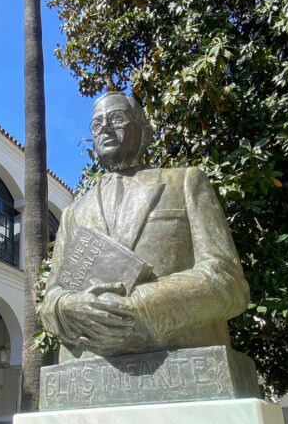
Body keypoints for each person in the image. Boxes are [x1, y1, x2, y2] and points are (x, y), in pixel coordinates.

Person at [39, 92, 249, 360]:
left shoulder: (185, 183)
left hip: (176, 357)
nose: (104, 128)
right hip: (91, 366)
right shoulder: (73, 212)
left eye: (116, 118)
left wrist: (137, 307)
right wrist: (69, 306)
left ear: (143, 128)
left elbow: (228, 280)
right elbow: (51, 298)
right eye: (96, 124)